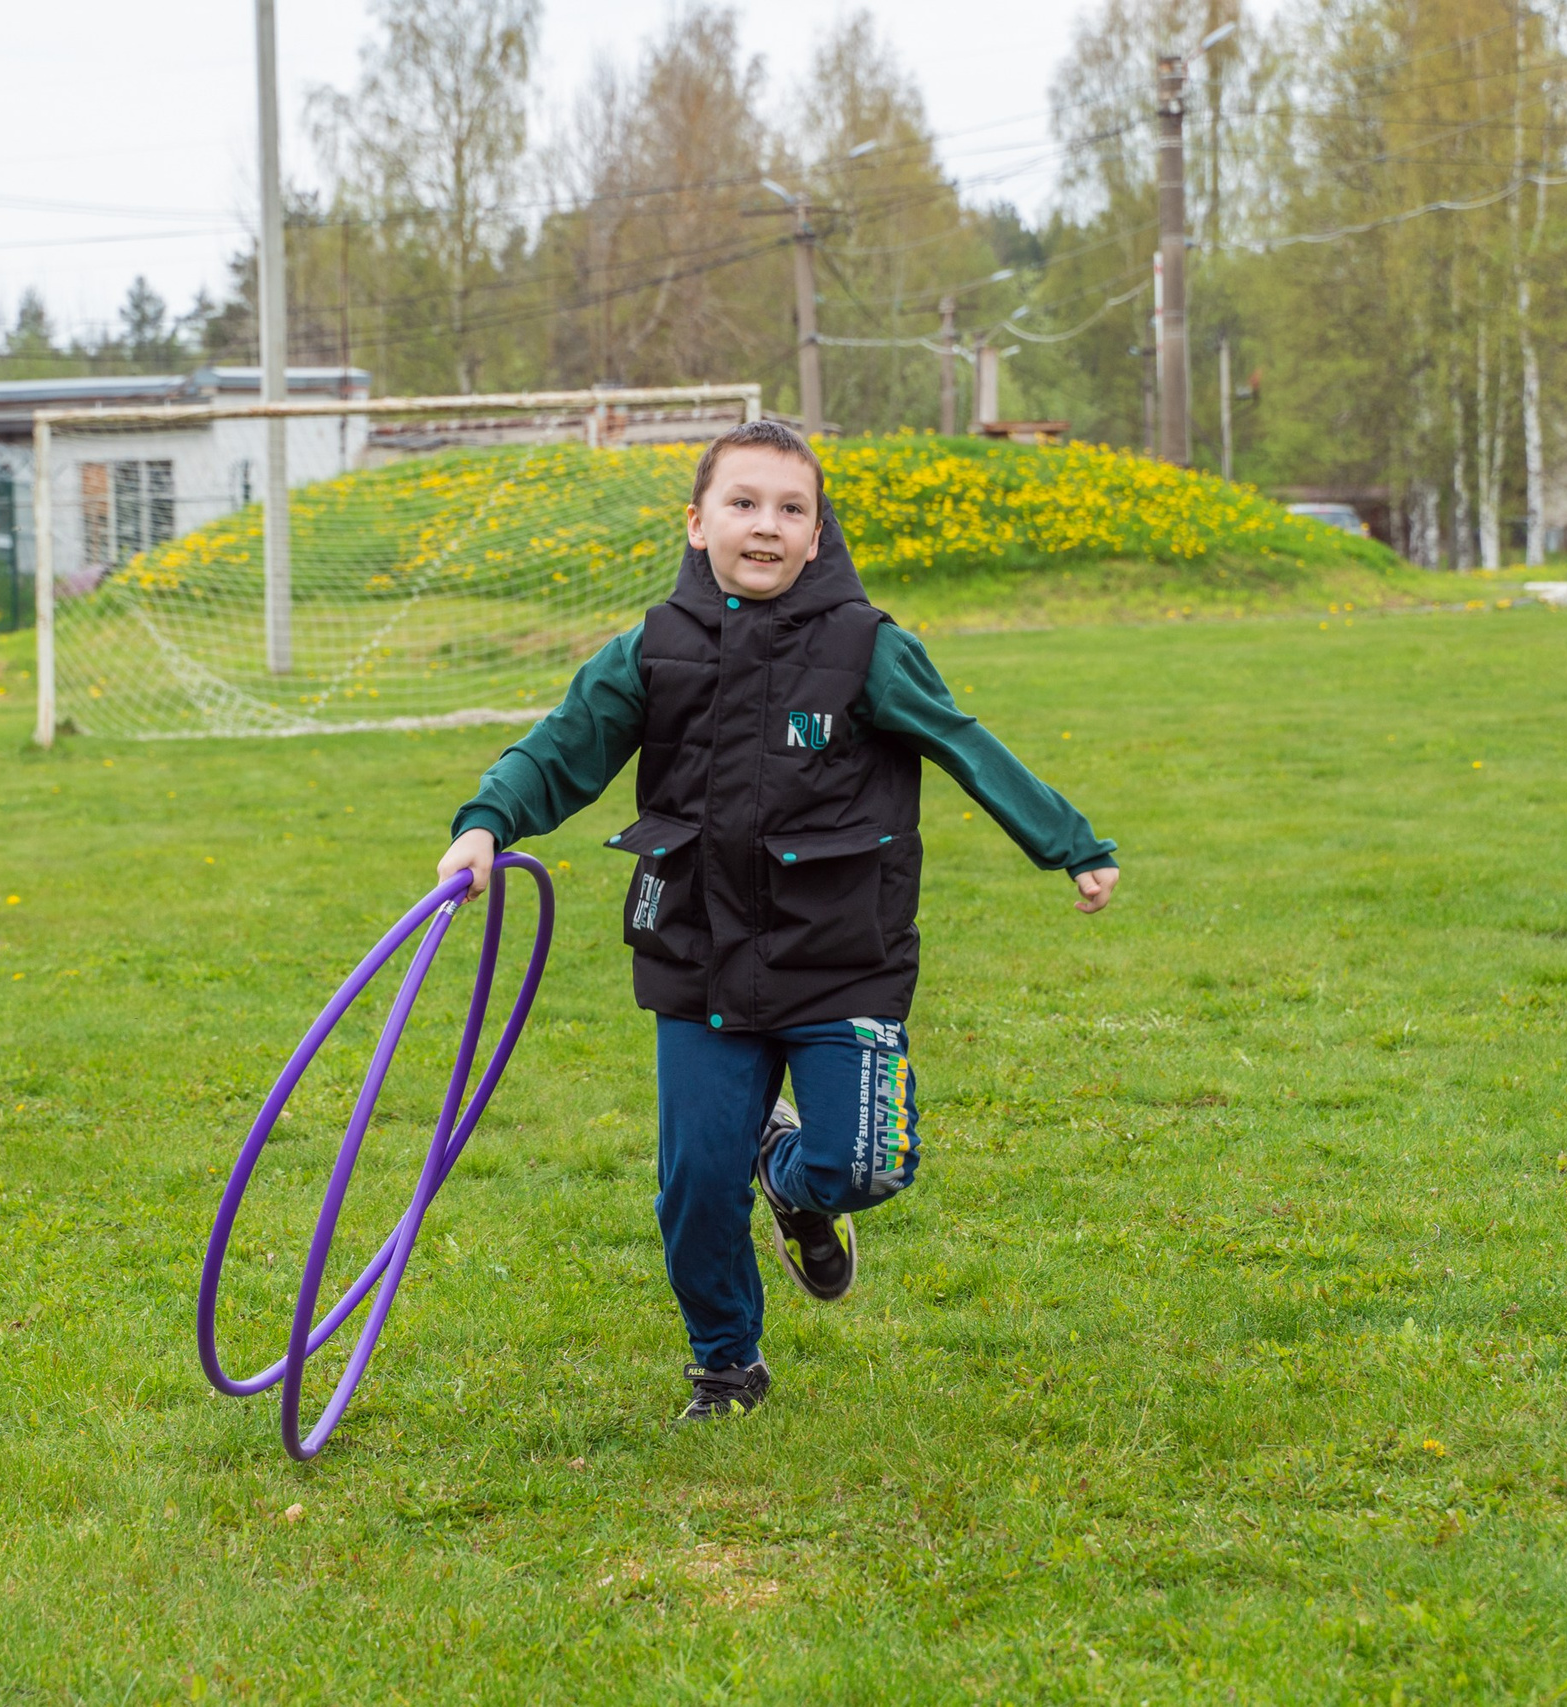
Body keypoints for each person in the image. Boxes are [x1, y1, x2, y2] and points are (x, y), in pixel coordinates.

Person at [435, 421, 1119, 1424]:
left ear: (817, 533)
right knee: (694, 1190)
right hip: (700, 958)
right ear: (697, 522)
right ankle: (726, 1364)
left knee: (866, 1163)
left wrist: (1069, 842)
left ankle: (790, 1177)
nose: (766, 526)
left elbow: (964, 742)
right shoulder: (650, 651)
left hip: (842, 957)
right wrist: (485, 823)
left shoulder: (868, 649)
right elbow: (560, 748)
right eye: (744, 503)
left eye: (792, 509)